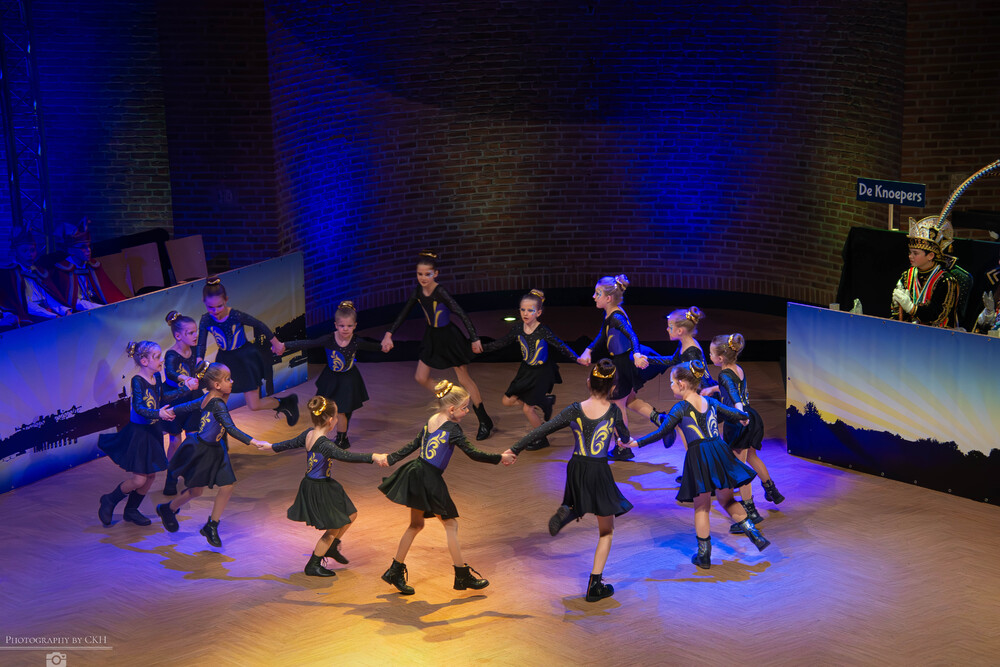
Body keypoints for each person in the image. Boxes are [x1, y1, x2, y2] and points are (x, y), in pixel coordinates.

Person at [503, 359, 639, 602]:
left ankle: (569, 510)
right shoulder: (614, 412)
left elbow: (542, 430)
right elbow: (625, 436)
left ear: (588, 383)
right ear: (613, 388)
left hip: (576, 466)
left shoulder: (575, 409)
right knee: (606, 531)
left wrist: (515, 449)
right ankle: (595, 585)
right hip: (598, 469)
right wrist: (622, 440)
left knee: (581, 500)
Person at [378, 380, 515, 596]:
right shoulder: (452, 429)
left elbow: (415, 444)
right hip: (429, 479)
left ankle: (394, 571)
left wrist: (392, 458)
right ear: (452, 409)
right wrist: (500, 457)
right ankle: (462, 575)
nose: (467, 411)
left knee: (416, 525)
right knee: (451, 525)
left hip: (415, 472)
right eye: (464, 408)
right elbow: (473, 453)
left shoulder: (432, 420)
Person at [637, 361, 770, 569]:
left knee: (702, 507)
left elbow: (662, 431)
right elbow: (733, 413)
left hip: (699, 456)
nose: (670, 386)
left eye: (672, 382)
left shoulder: (680, 408)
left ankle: (704, 555)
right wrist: (744, 417)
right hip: (719, 452)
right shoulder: (710, 401)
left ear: (682, 384)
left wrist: (636, 443)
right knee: (727, 500)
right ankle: (755, 536)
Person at [258, 396, 389, 577]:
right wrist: (373, 456)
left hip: (322, 484)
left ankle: (331, 547)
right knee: (333, 528)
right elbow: (347, 456)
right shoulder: (324, 444)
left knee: (351, 515)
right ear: (330, 420)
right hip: (318, 488)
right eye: (336, 418)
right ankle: (313, 564)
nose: (336, 421)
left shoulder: (309, 434)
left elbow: (289, 444)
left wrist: (271, 446)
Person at [380, 251, 495, 440]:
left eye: (427, 274)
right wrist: (389, 333)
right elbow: (404, 312)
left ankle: (484, 420)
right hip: (431, 337)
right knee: (420, 377)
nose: (423, 278)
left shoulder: (440, 291)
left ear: (436, 274)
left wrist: (474, 338)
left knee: (464, 379)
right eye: (420, 274)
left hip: (449, 337)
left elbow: (461, 313)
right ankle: (452, 397)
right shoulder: (418, 291)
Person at [156, 362, 271, 548]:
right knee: (196, 491)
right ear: (217, 385)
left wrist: (172, 411)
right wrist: (254, 441)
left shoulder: (210, 396)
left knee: (227, 486)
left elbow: (188, 405)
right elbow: (230, 428)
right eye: (228, 379)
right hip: (203, 451)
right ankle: (168, 509)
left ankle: (211, 525)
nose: (232, 382)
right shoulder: (217, 404)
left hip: (217, 448)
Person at [479, 289, 578, 450]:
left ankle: (541, 438)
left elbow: (561, 345)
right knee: (507, 401)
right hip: (525, 371)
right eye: (522, 309)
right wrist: (483, 348)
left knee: (528, 409)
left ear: (538, 312)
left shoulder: (543, 330)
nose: (525, 313)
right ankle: (544, 402)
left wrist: (577, 358)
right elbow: (502, 342)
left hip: (541, 373)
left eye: (530, 310)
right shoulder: (518, 329)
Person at [705, 334, 784, 534]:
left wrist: (739, 414)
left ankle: (750, 512)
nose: (709, 356)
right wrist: (713, 389)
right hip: (752, 416)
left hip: (738, 422)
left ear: (720, 358)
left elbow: (733, 394)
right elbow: (733, 387)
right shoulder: (737, 369)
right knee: (751, 457)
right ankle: (771, 490)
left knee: (739, 468)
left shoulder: (724, 374)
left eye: (711, 353)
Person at [97, 341, 182, 526]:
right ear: (144, 361)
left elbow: (162, 397)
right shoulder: (137, 380)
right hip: (139, 434)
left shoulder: (156, 376)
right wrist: (159, 413)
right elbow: (139, 407)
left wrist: (184, 389)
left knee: (150, 476)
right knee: (139, 479)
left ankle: (131, 510)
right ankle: (110, 499)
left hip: (153, 432)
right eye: (157, 357)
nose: (161, 360)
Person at [196, 276, 299, 425]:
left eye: (219, 306)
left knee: (254, 405)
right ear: (204, 302)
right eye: (210, 307)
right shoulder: (206, 319)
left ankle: (285, 403)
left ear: (226, 300)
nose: (215, 311)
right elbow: (201, 343)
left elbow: (259, 325)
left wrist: (276, 343)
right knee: (219, 398)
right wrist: (199, 360)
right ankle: (216, 432)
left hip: (245, 358)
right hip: (225, 359)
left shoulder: (235, 315)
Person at [283, 301, 384, 449]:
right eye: (342, 326)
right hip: (331, 378)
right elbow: (308, 343)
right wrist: (285, 345)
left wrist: (384, 346)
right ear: (336, 325)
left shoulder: (356, 341)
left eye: (349, 326)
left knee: (341, 411)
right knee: (324, 407)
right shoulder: (329, 339)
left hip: (348, 380)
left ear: (355, 325)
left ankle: (342, 440)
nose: (345, 329)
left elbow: (375, 347)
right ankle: (320, 434)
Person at [576, 274, 649, 461]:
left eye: (597, 293)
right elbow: (603, 334)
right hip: (620, 361)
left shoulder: (616, 316)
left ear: (608, 298)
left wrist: (637, 354)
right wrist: (588, 349)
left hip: (624, 364)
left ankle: (623, 446)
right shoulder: (611, 313)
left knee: (617, 404)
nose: (594, 296)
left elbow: (632, 335)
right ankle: (662, 420)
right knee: (628, 401)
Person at [891, 216, 961, 328]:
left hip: (937, 335)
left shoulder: (946, 281)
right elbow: (897, 315)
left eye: (915, 253)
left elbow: (938, 316)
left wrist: (911, 308)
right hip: (908, 331)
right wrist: (897, 305)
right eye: (910, 252)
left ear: (930, 256)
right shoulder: (907, 276)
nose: (910, 256)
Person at [161, 311, 203, 496]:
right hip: (175, 399)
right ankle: (171, 477)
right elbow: (171, 373)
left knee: (193, 437)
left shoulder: (195, 349)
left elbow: (198, 366)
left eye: (196, 331)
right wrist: (185, 379)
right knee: (175, 440)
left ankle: (189, 471)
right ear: (178, 336)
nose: (195, 335)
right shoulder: (171, 354)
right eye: (190, 333)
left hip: (192, 398)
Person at [50, 217, 126, 310]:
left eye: (89, 246)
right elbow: (73, 302)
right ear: (71, 250)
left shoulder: (92, 265)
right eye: (83, 247)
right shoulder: (62, 269)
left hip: (98, 306)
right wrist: (102, 308)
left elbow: (109, 293)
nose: (88, 250)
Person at [0, 228, 71, 323]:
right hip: (32, 318)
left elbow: (50, 297)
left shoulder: (39, 271)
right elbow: (26, 305)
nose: (30, 254)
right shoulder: (11, 275)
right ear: (15, 252)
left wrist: (64, 311)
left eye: (32, 250)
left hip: (48, 314)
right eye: (24, 251)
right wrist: (53, 316)